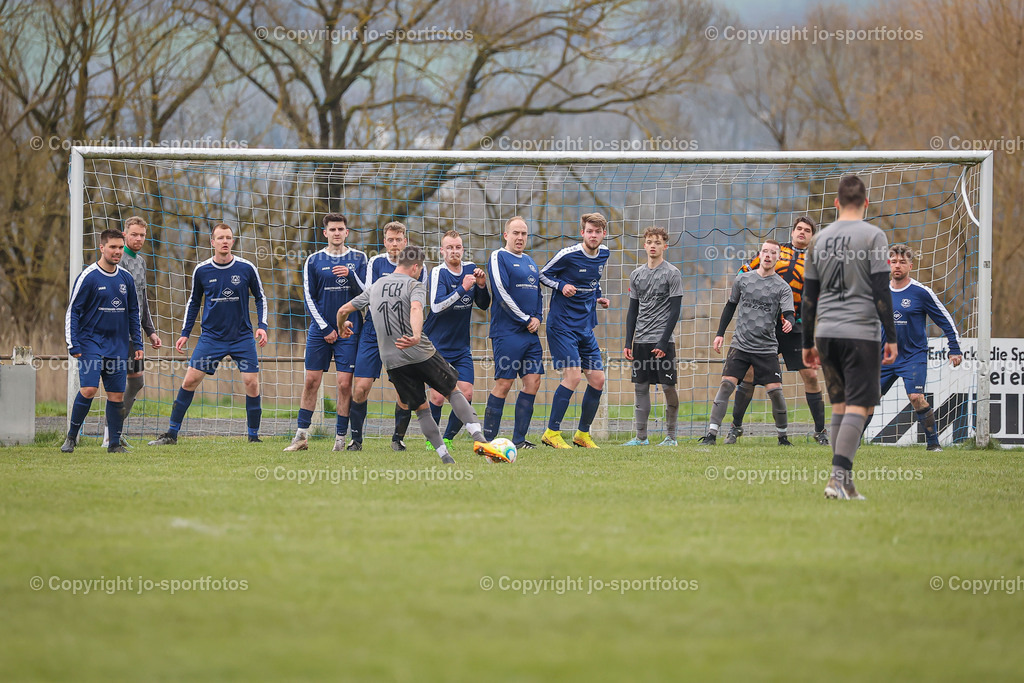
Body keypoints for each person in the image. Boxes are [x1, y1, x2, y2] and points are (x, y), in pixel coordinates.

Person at [336, 245, 505, 464]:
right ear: (416, 267)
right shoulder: (413, 284)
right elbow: (416, 308)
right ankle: (481, 441)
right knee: (453, 392)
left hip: (393, 361)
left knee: (422, 409)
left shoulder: (375, 287)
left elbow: (343, 311)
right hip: (420, 352)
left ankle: (445, 457)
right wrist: (416, 336)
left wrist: (342, 327)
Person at [802, 175, 898, 500]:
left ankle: (846, 483)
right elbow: (882, 290)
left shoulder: (818, 239)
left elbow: (808, 297)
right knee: (860, 407)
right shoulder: (874, 235)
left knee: (841, 405)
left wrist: (806, 343)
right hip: (861, 332)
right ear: (866, 203)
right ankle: (834, 480)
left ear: (836, 203)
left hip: (826, 333)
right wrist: (892, 336)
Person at [149, 223, 269, 445]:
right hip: (211, 338)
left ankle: (254, 437)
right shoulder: (202, 270)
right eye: (220, 238)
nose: (225, 241)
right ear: (212, 242)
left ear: (233, 241)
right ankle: (171, 434)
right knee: (190, 380)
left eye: (229, 238)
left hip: (242, 337)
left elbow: (260, 297)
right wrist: (185, 332)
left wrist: (262, 325)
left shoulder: (246, 268)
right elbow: (194, 302)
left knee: (252, 383)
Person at [725, 216, 829, 446]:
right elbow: (743, 275)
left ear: (812, 236)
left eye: (807, 230)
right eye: (799, 229)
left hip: (796, 326)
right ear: (792, 233)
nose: (802, 232)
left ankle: (820, 431)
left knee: (810, 374)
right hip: (763, 325)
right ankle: (735, 427)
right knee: (749, 374)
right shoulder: (774, 252)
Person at [699, 240, 796, 446]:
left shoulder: (782, 287)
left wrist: (789, 321)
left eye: (773, 253)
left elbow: (789, 312)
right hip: (740, 345)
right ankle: (711, 435)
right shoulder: (743, 280)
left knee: (775, 391)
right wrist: (719, 334)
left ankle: (783, 437)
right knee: (726, 385)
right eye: (765, 251)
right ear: (759, 254)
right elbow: (730, 306)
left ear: (778, 258)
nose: (768, 255)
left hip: (766, 348)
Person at [284, 213, 368, 452]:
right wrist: (325, 328)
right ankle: (301, 436)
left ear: (347, 232)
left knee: (344, 384)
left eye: (341, 229)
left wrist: (351, 275)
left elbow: (366, 294)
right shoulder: (313, 260)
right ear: (325, 233)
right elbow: (308, 297)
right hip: (321, 331)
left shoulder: (359, 259)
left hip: (349, 331)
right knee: (311, 381)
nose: (337, 233)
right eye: (332, 230)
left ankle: (340, 440)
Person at [873, 243, 963, 451]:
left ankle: (933, 444)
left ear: (910, 266)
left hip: (913, 356)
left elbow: (945, 320)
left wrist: (955, 348)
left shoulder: (921, 292)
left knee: (916, 397)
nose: (897, 265)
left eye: (902, 262)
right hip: (884, 356)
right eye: (893, 261)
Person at [345, 221, 425, 451]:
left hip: (403, 332)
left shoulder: (418, 266)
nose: (394, 244)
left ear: (405, 241)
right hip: (374, 330)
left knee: (404, 391)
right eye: (390, 239)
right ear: (384, 242)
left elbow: (419, 301)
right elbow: (371, 295)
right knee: (361, 387)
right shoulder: (376, 262)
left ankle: (397, 439)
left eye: (398, 239)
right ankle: (356, 440)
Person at [62, 229, 144, 453]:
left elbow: (133, 313)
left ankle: (114, 444)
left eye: (120, 247)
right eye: (113, 247)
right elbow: (73, 311)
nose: (117, 252)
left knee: (116, 395)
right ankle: (71, 437)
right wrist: (73, 343)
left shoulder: (125, 278)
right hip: (90, 343)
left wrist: (138, 344)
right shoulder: (88, 276)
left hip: (117, 346)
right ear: (102, 248)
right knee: (88, 389)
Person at [538, 212, 611, 449]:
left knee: (598, 379)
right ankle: (551, 432)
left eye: (597, 232)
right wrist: (561, 285)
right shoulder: (568, 254)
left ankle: (582, 434)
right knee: (573, 376)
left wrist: (599, 297)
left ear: (603, 234)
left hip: (585, 325)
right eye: (589, 231)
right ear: (582, 232)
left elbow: (593, 281)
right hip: (562, 326)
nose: (593, 235)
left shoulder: (605, 253)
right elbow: (543, 274)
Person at [422, 230, 490, 450]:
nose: (454, 251)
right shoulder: (438, 272)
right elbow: (437, 306)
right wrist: (463, 288)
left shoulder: (471, 269)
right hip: (436, 345)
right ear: (442, 250)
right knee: (438, 396)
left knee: (467, 393)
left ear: (463, 249)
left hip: (461, 346)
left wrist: (480, 285)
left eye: (458, 247)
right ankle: (432, 440)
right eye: (449, 247)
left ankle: (448, 438)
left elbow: (484, 304)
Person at [482, 217, 546, 448]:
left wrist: (538, 317)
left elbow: (538, 294)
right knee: (505, 383)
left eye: (524, 234)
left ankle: (518, 440)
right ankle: (487, 440)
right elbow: (500, 292)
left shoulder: (530, 261)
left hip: (530, 333)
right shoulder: (498, 257)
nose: (520, 238)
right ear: (506, 235)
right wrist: (525, 318)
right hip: (507, 332)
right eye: (516, 233)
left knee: (533, 382)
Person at [102, 216, 163, 448]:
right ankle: (109, 435)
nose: (138, 238)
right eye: (134, 234)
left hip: (135, 334)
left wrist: (150, 331)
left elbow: (142, 299)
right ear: (125, 234)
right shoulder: (118, 259)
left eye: (142, 235)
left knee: (136, 383)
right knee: (115, 385)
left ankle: (112, 431)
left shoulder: (141, 262)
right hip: (118, 333)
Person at [622, 226, 684, 447]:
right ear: (644, 245)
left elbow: (675, 311)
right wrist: (628, 341)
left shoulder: (672, 273)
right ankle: (641, 438)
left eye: (658, 242)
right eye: (649, 241)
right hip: (641, 341)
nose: (653, 246)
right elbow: (633, 311)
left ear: (665, 246)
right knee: (640, 388)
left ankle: (671, 437)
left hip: (663, 341)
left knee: (668, 387)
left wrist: (663, 341)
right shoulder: (636, 275)